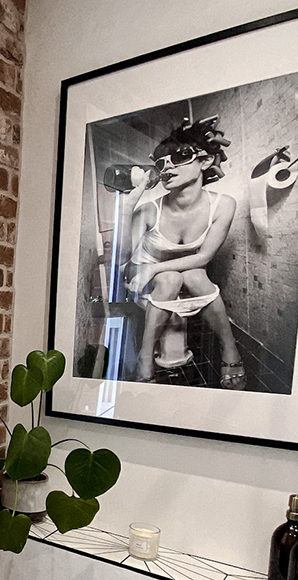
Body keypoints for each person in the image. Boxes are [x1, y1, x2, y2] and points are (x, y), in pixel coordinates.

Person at [122, 116, 246, 389]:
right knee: (171, 279)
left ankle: (230, 350)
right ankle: (146, 354)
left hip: (175, 269)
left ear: (204, 161)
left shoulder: (224, 205)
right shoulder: (148, 209)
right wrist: (132, 199)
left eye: (180, 157)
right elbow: (124, 258)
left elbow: (204, 257)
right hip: (143, 271)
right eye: (160, 162)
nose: (167, 167)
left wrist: (156, 268)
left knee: (195, 276)